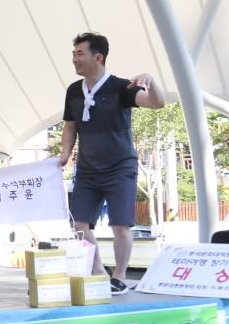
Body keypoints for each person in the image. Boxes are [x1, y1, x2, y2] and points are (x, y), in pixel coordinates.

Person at [59, 32, 163, 294]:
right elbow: (70, 126)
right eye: (73, 54)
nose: (74, 59)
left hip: (120, 167)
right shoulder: (73, 90)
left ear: (99, 57)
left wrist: (150, 81)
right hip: (87, 169)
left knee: (120, 225)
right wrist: (65, 154)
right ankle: (98, 273)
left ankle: (119, 276)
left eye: (79, 54)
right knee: (79, 226)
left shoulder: (121, 87)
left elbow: (157, 103)